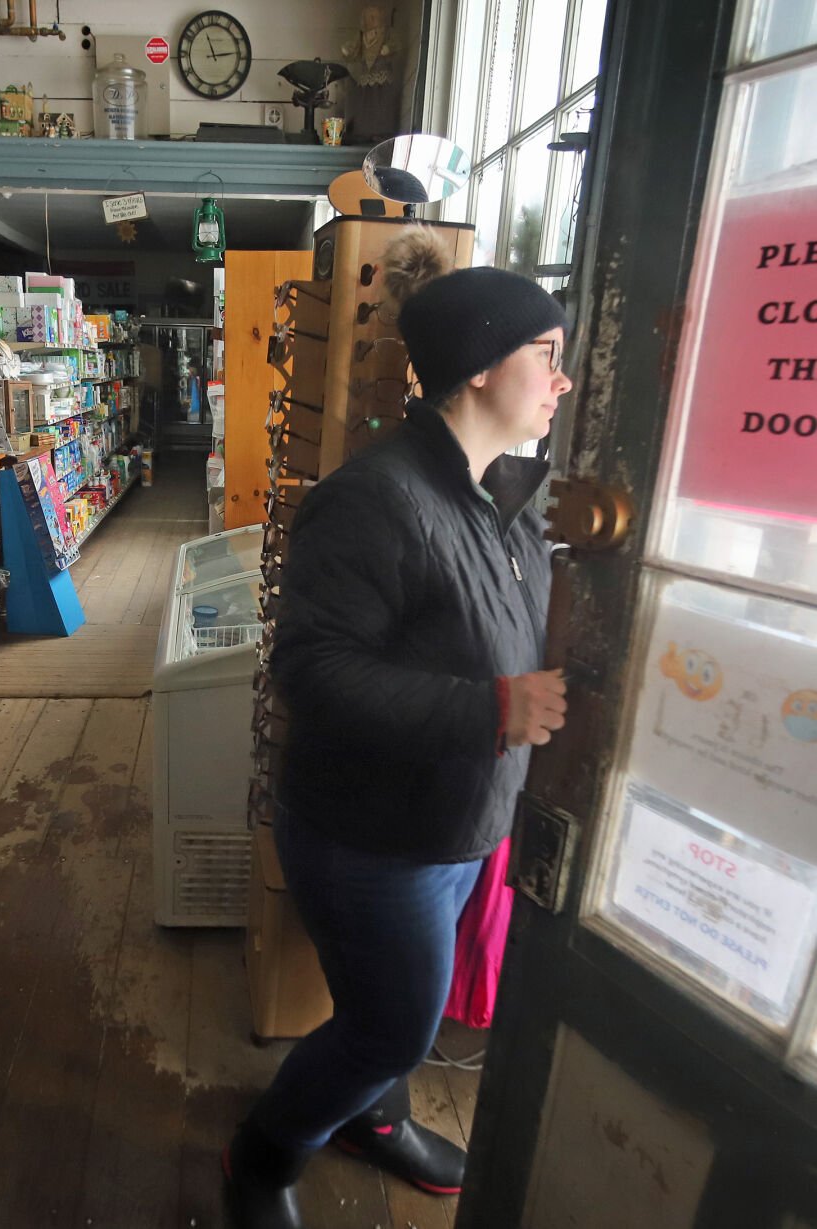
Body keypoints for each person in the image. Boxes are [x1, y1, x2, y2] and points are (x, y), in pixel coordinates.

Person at [225, 227, 572, 1229]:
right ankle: (261, 1155)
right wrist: (495, 709)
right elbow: (312, 670)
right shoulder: (375, 499)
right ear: (476, 366)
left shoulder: (508, 494)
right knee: (390, 1024)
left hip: (456, 818)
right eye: (544, 355)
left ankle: (369, 1119)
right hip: (369, 836)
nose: (560, 380)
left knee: (380, 1010)